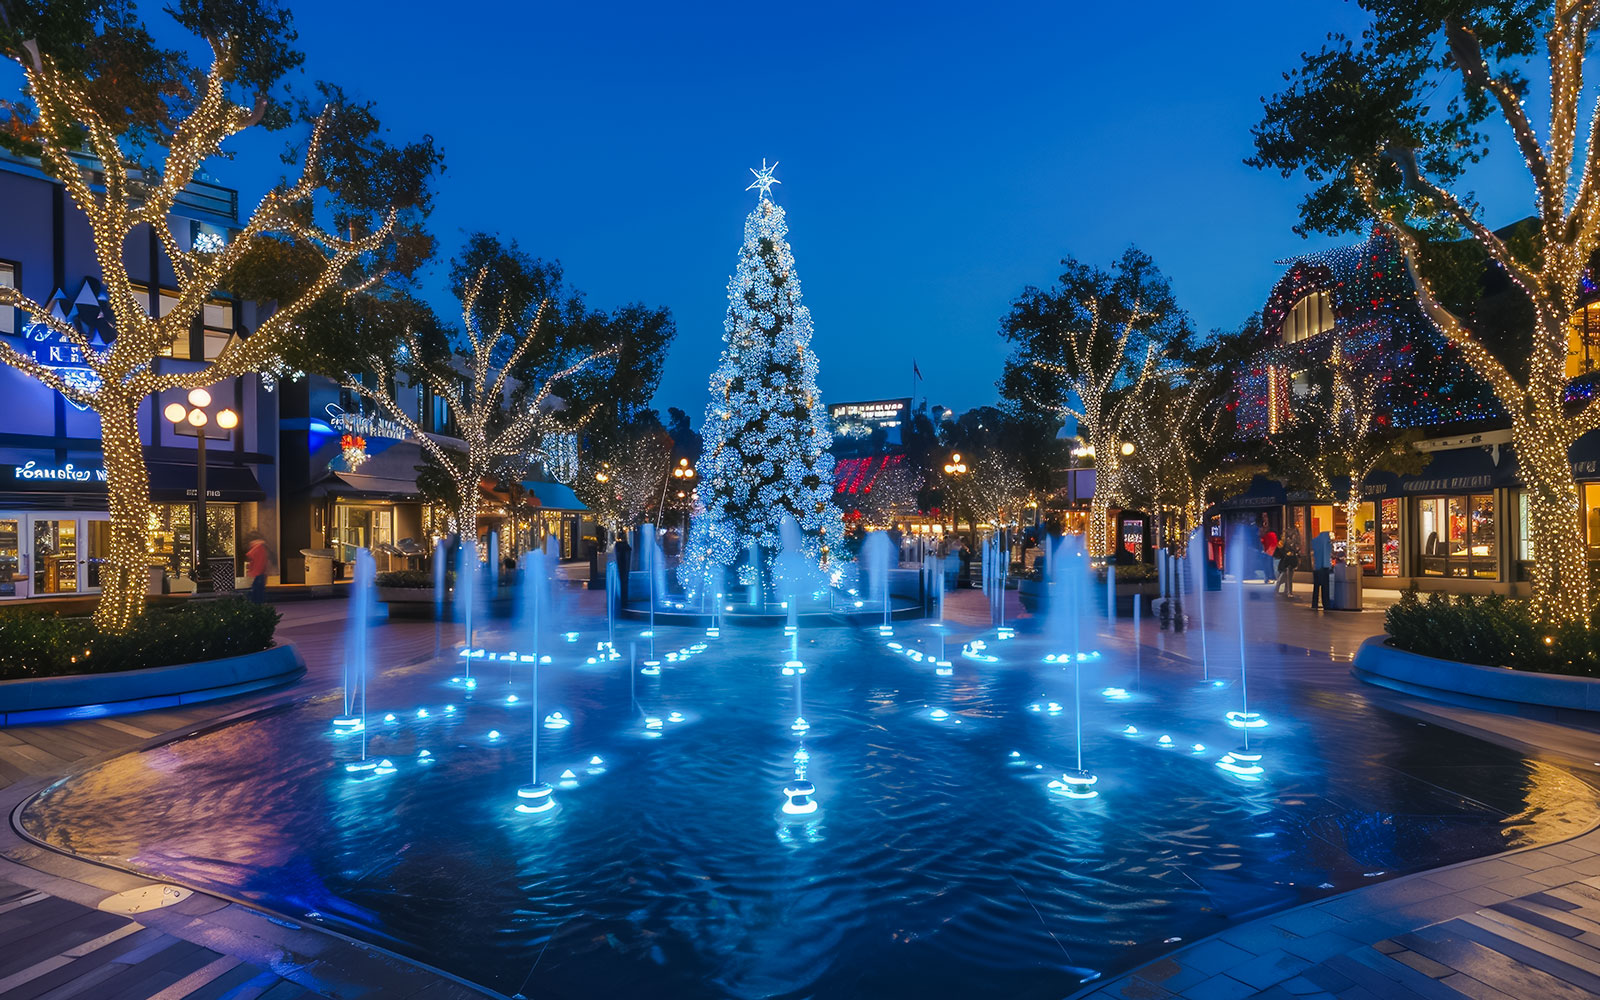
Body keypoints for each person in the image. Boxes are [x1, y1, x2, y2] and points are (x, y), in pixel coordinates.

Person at [1310, 529, 1334, 611]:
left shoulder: (1315, 541)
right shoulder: (1327, 543)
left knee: (1316, 587)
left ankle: (1314, 603)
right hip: (1324, 569)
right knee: (1325, 588)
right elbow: (1327, 555)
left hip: (1316, 568)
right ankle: (1326, 604)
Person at [1275, 528, 1301, 596]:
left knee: (1287, 577)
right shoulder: (1286, 542)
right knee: (1284, 578)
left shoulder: (1291, 542)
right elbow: (1281, 550)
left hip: (1290, 560)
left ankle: (1287, 591)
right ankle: (1287, 591)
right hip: (1287, 561)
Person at [245, 536, 269, 604]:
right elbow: (263, 562)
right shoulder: (261, 548)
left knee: (256, 590)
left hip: (257, 573)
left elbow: (252, 561)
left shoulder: (255, 549)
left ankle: (256, 604)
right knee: (260, 591)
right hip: (260, 573)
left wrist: (251, 571)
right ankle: (260, 604)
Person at [613, 532, 633, 606]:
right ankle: (623, 599)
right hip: (623, 550)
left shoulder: (620, 547)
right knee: (624, 577)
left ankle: (622, 599)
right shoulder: (625, 548)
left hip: (621, 550)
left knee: (623, 576)